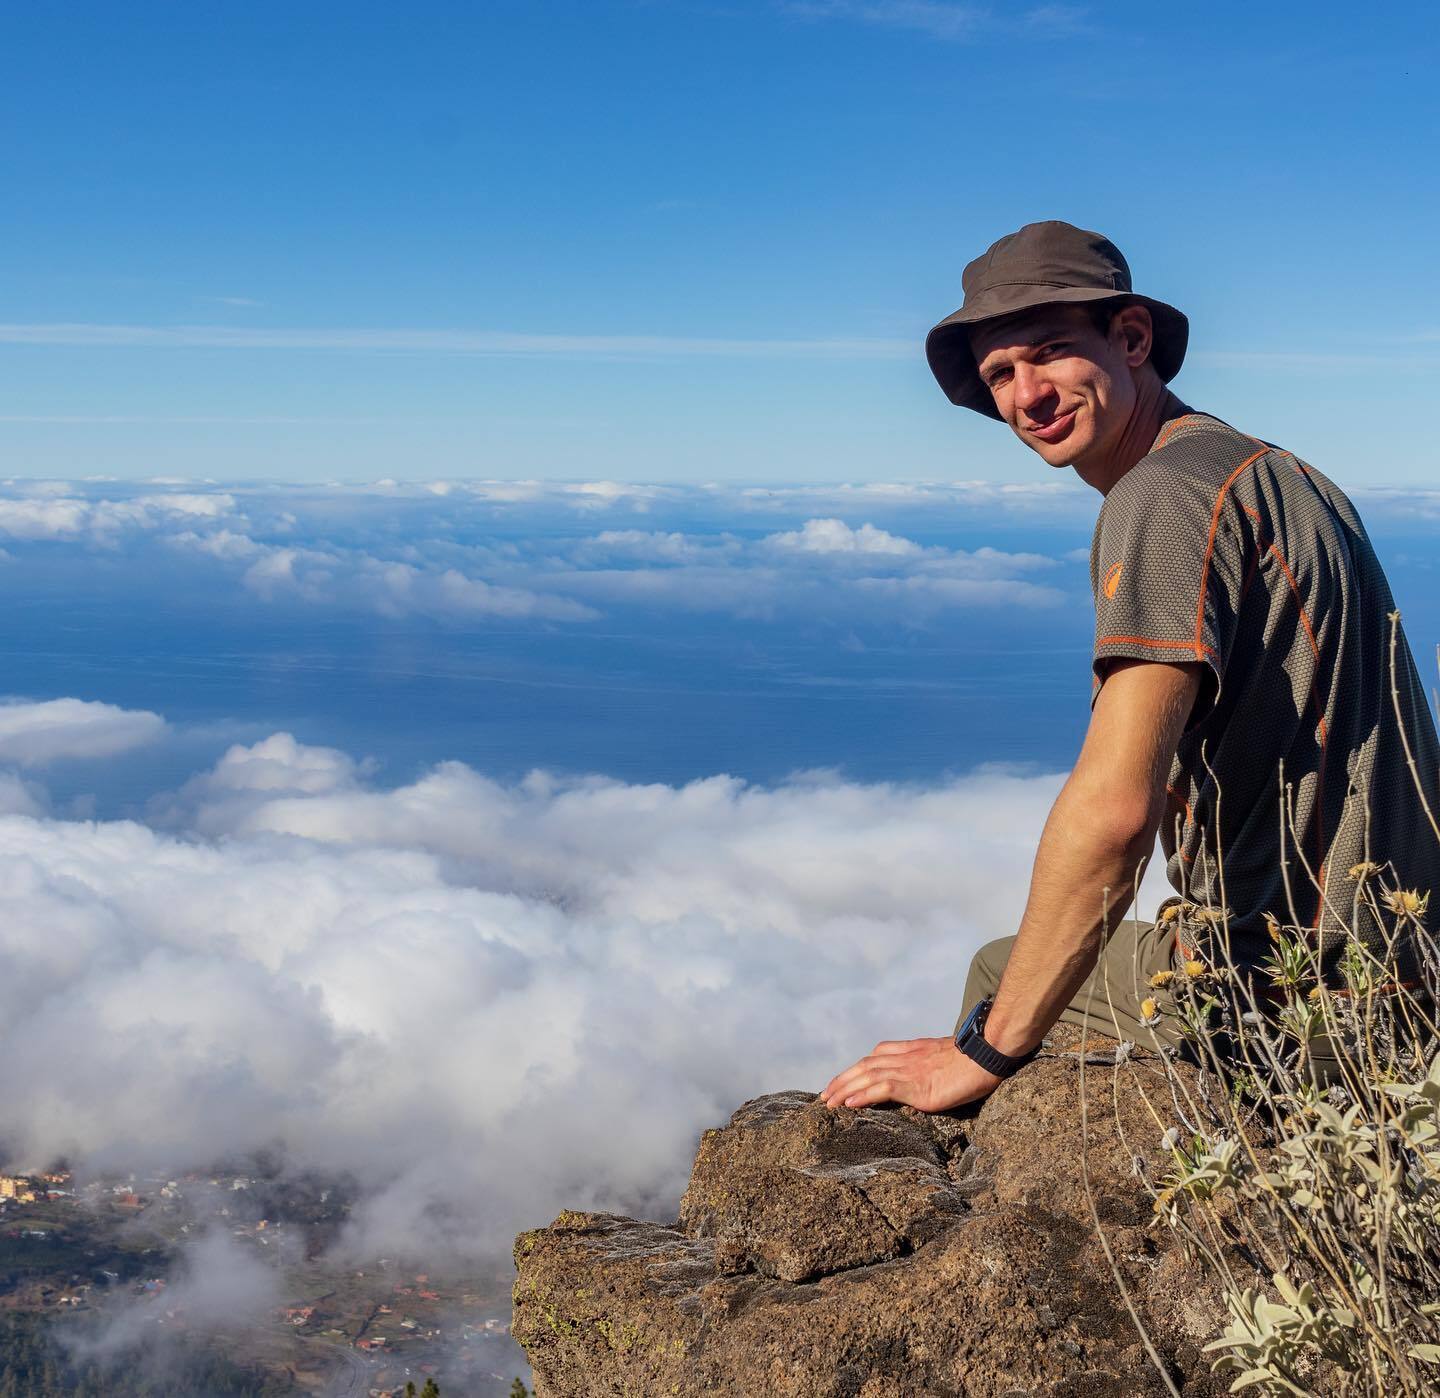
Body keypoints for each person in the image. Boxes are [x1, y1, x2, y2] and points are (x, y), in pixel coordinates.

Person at [822, 220, 1440, 1114]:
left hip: (1309, 997)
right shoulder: (1271, 472)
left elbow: (1115, 815)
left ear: (1133, 339)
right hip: (1400, 955)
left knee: (1002, 977)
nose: (1027, 395)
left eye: (1051, 353)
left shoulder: (1163, 496)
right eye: (1000, 374)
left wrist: (983, 1055)